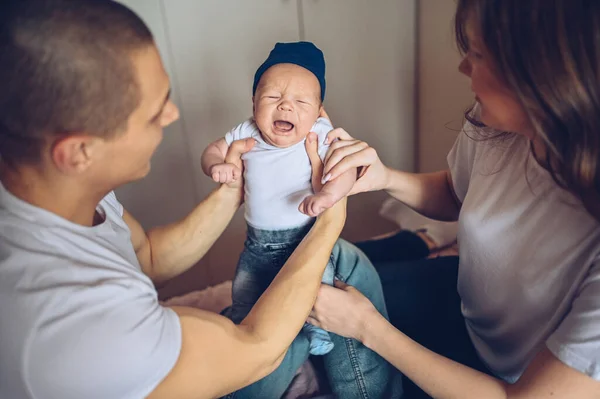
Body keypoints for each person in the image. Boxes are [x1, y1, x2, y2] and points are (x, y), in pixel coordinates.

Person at [0, 1, 397, 398]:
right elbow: (254, 352)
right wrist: (329, 219)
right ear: (77, 152)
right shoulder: (68, 318)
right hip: (243, 358)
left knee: (348, 263)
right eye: (154, 113)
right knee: (339, 273)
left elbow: (148, 256)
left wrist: (234, 187)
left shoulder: (62, 191)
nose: (172, 114)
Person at [306, 0, 600, 398]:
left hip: (508, 382)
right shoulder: (496, 126)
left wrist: (367, 327)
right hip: (464, 308)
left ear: (546, 79)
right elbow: (456, 193)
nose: (463, 66)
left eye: (477, 54)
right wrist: (384, 177)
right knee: (316, 287)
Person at [201, 40, 398, 399]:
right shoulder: (245, 133)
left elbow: (345, 171)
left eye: (301, 101)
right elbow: (213, 149)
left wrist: (327, 195)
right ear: (253, 103)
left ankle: (317, 336)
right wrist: (219, 164)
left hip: (305, 241)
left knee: (316, 294)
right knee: (247, 297)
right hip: (256, 245)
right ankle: (252, 337)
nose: (286, 105)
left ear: (319, 111)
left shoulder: (318, 135)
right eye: (272, 96)